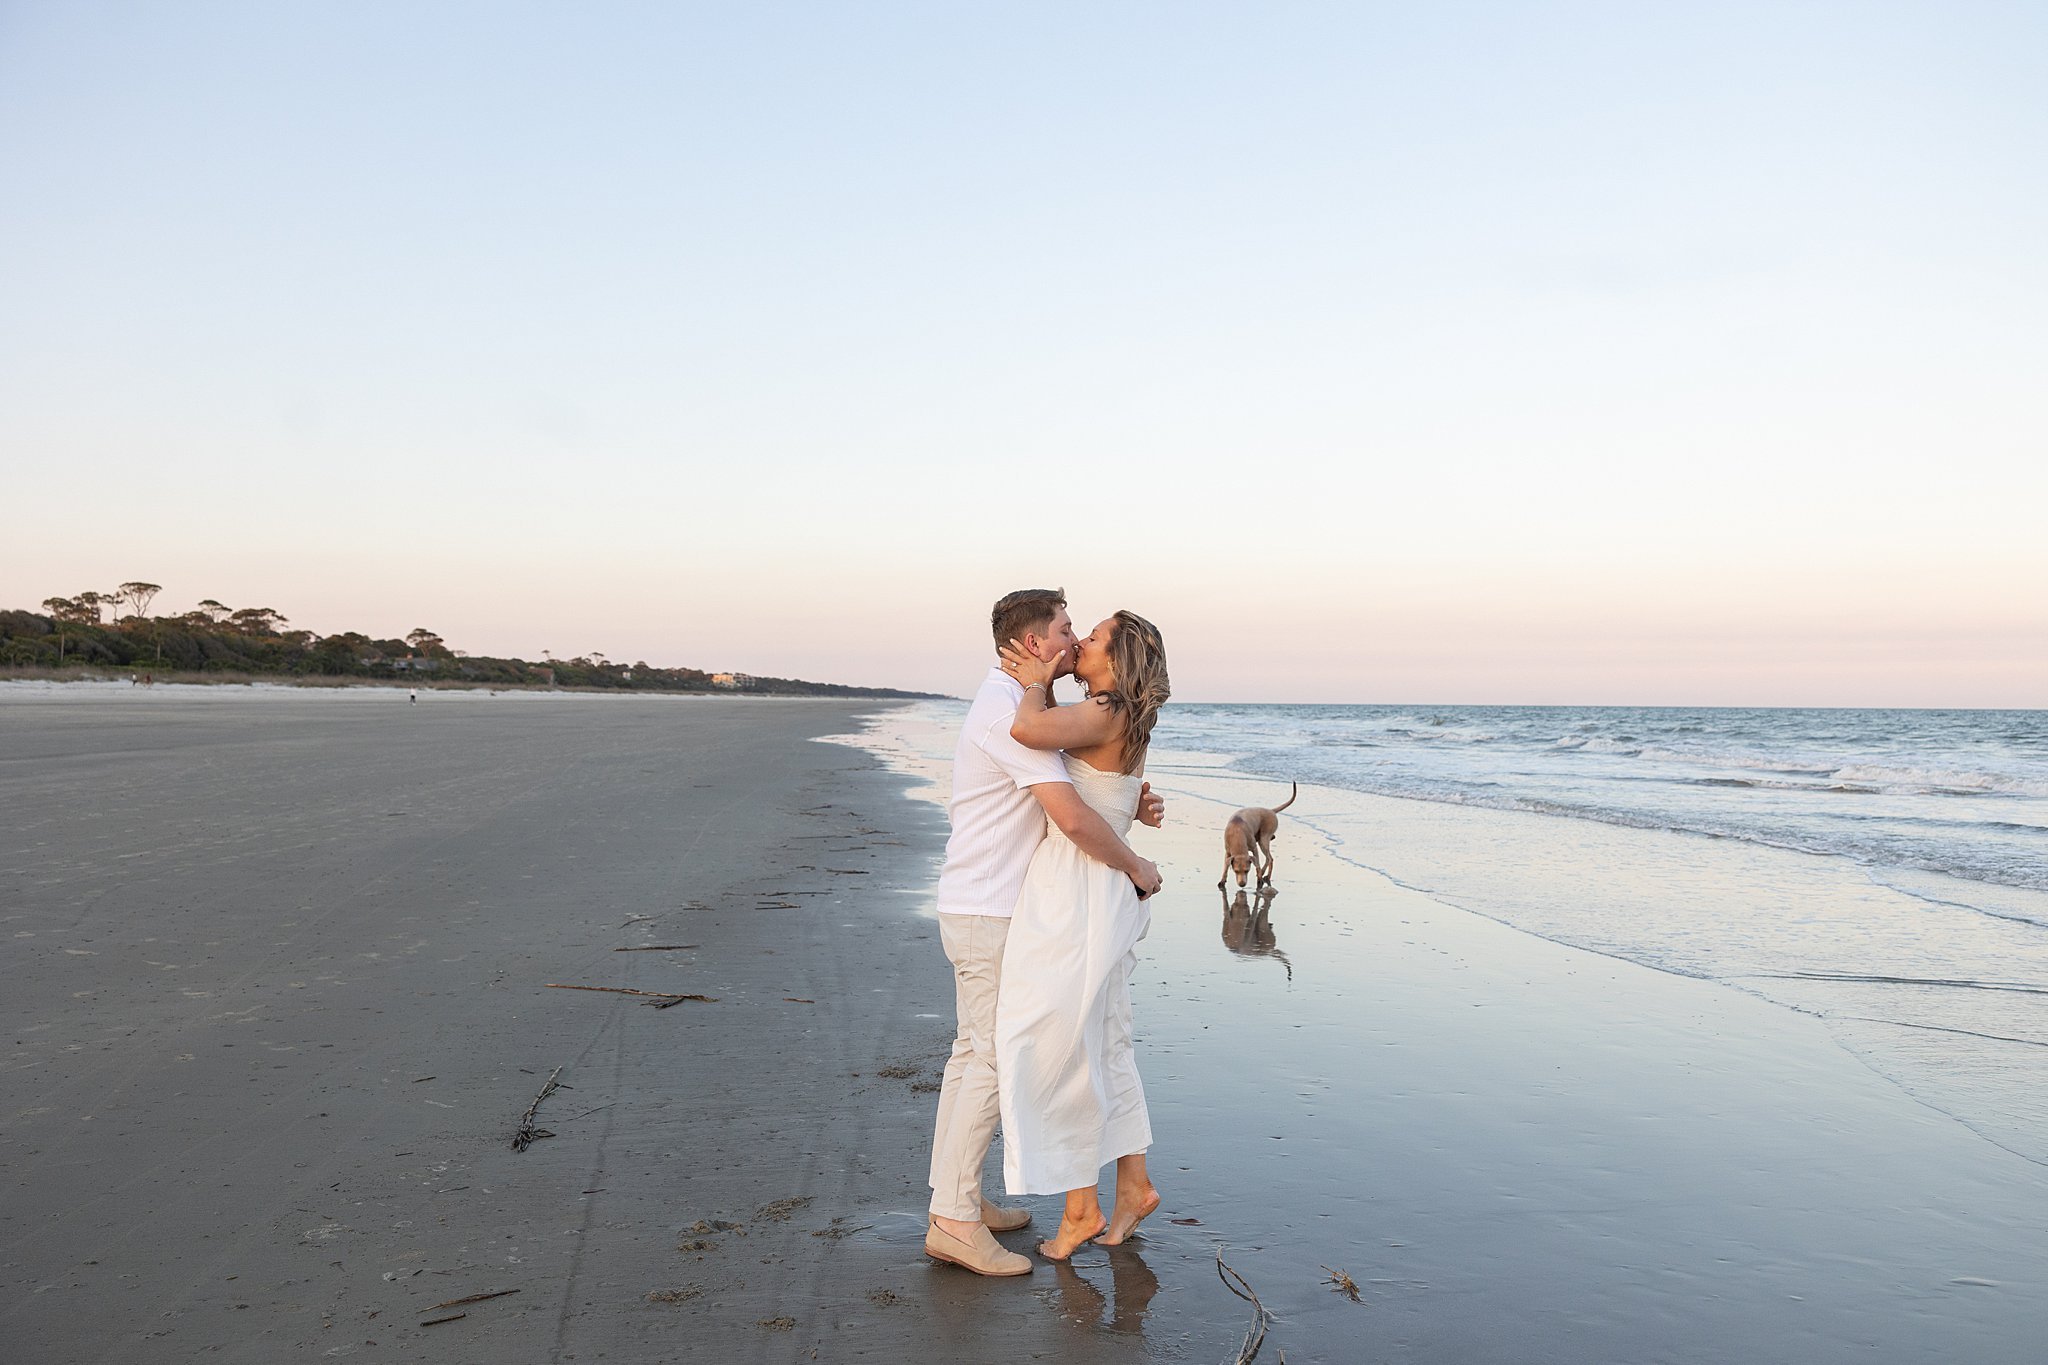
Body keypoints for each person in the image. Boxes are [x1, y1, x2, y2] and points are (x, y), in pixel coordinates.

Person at [924, 588, 1166, 1278]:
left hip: (1018, 903)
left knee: (994, 1054)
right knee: (998, 1058)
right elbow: (1075, 816)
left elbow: (1090, 783)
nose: (1073, 640)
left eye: (1085, 633)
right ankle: (955, 1216)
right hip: (995, 909)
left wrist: (1128, 800)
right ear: (1035, 644)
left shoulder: (1031, 704)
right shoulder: (1016, 710)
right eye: (1067, 629)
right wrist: (1136, 860)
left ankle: (962, 1202)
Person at [994, 609, 1171, 1259]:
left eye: (1093, 637)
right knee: (1104, 1041)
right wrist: (1139, 804)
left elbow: (1026, 727)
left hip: (1080, 892)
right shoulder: (1119, 715)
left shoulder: (1103, 710)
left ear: (1118, 661)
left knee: (1054, 1041)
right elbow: (1114, 787)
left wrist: (1036, 678)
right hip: (1103, 892)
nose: (1083, 643)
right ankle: (1134, 1185)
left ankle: (1080, 1208)